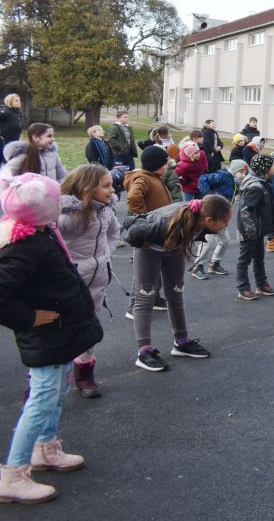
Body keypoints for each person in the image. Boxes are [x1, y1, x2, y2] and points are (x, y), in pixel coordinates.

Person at [0, 173, 103, 504]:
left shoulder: (41, 233)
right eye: (54, 200)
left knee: (57, 391)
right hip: (46, 336)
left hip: (60, 334)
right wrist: (29, 318)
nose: (60, 204)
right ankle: (12, 474)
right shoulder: (24, 245)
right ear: (41, 207)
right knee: (42, 397)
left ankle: (44, 448)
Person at [125, 195, 230, 370]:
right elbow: (132, 228)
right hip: (149, 250)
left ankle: (181, 342)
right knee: (145, 297)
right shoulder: (164, 223)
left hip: (174, 249)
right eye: (225, 221)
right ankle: (144, 352)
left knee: (176, 294)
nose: (226, 225)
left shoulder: (198, 218)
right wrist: (140, 241)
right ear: (209, 220)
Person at [58, 164, 118, 398]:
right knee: (62, 331)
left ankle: (84, 372)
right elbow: (46, 238)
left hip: (96, 281)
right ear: (87, 188)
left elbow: (113, 232)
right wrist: (63, 266)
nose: (112, 190)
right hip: (70, 282)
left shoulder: (105, 211)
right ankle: (47, 379)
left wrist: (105, 256)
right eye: (106, 186)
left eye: (111, 185)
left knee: (89, 329)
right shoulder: (67, 215)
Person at [234, 154, 274, 301]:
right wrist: (250, 229)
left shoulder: (260, 182)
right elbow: (245, 209)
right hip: (249, 230)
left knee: (259, 257)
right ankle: (243, 288)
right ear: (265, 169)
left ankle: (261, 284)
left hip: (257, 228)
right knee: (244, 259)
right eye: (272, 165)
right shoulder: (256, 187)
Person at [0, 123, 67, 190]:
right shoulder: (24, 155)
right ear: (35, 137)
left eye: (53, 136)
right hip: (29, 195)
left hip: (51, 194)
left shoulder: (53, 155)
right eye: (49, 136)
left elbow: (62, 175)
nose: (53, 139)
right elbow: (5, 176)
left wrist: (58, 189)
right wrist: (20, 188)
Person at [0, 93, 23, 167]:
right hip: (5, 142)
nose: (19, 102)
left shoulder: (16, 112)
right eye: (16, 101)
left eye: (19, 100)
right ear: (10, 102)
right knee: (4, 162)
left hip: (14, 141)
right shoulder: (5, 111)